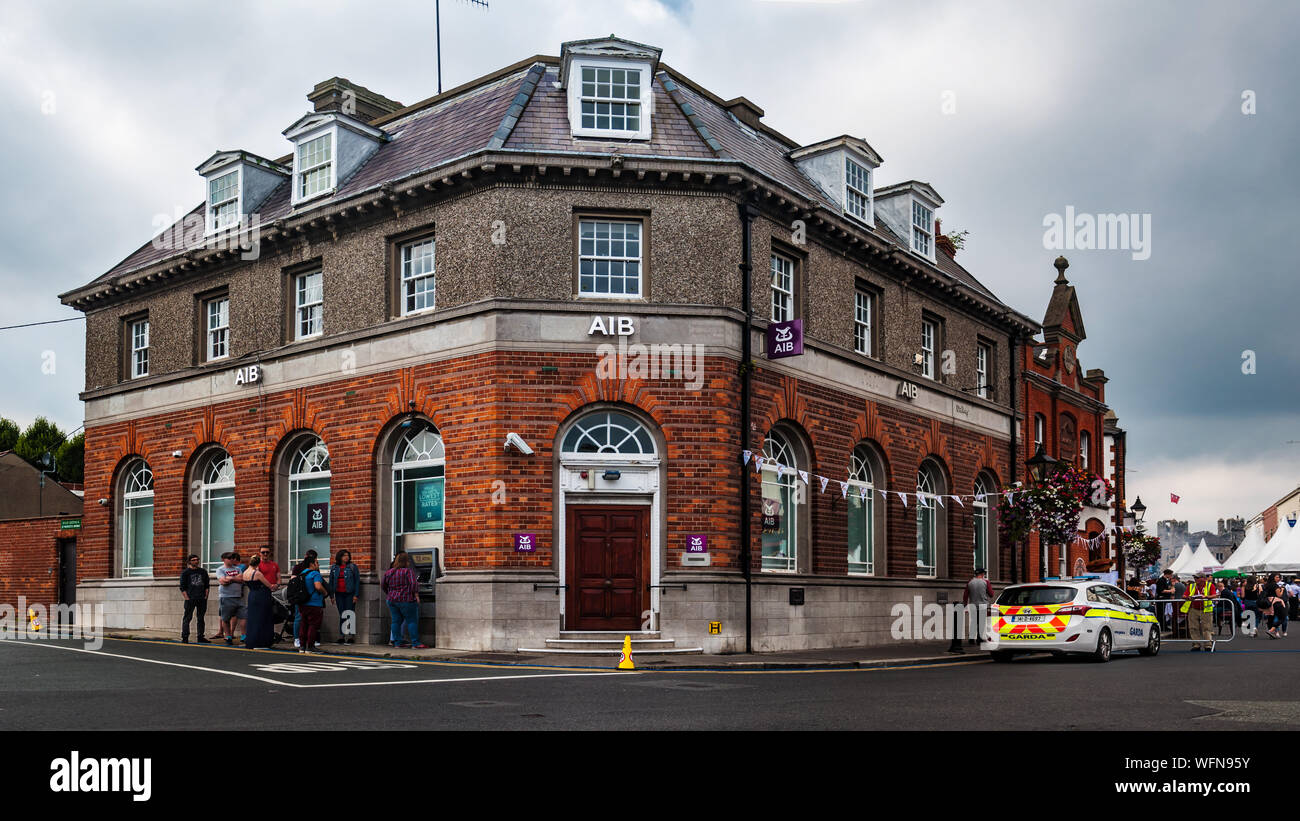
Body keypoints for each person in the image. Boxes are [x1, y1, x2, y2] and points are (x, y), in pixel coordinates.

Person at [381, 552, 425, 649]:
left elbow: (383, 585)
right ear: (406, 561)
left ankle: (397, 643)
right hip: (406, 599)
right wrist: (416, 595)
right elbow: (413, 584)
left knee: (396, 621)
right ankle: (415, 643)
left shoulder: (389, 572)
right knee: (411, 621)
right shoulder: (407, 571)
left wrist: (390, 593)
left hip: (392, 600)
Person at [296, 555, 329, 654]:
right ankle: (310, 646)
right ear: (312, 564)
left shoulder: (301, 574)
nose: (318, 564)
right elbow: (318, 586)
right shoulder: (315, 573)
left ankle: (302, 646)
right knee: (313, 625)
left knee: (303, 624)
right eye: (317, 562)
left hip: (302, 603)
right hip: (314, 603)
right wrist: (325, 593)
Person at [242, 554, 275, 649]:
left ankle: (251, 641)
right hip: (261, 596)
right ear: (258, 563)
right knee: (263, 618)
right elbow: (269, 586)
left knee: (253, 619)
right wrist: (275, 586)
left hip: (251, 596)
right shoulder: (257, 573)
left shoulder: (245, 573)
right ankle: (261, 641)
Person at [329, 550, 360, 645]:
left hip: (349, 593)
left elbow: (357, 581)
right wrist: (331, 596)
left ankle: (351, 636)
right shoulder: (334, 567)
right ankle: (342, 636)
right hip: (339, 594)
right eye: (344, 556)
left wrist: (356, 595)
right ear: (340, 557)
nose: (346, 557)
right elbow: (331, 581)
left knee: (350, 614)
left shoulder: (352, 567)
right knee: (342, 614)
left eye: (347, 555)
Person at [216, 552, 247, 645]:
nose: (231, 559)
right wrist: (235, 579)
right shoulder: (220, 570)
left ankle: (244, 636)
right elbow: (223, 581)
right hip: (226, 597)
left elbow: (242, 580)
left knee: (244, 616)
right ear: (223, 559)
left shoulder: (237, 569)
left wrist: (230, 578)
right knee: (225, 618)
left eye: (232, 558)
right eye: (229, 558)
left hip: (238, 596)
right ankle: (228, 636)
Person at [179, 554, 211, 644]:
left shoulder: (203, 572)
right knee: (187, 618)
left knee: (201, 618)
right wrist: (187, 598)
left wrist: (206, 596)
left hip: (201, 598)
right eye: (193, 560)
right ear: (189, 561)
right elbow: (182, 587)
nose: (196, 561)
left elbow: (207, 585)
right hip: (190, 598)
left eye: (197, 559)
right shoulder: (185, 573)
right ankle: (185, 637)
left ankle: (200, 636)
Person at [290, 549, 319, 649]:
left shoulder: (315, 568)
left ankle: (309, 640)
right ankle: (297, 638)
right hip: (301, 595)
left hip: (311, 596)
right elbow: (293, 581)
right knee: (299, 617)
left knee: (310, 620)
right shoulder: (298, 567)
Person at [1183, 570, 1216, 652]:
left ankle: (1208, 645)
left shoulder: (1210, 585)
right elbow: (1184, 595)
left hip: (1206, 609)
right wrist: (1188, 598)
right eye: (1195, 577)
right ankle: (1196, 645)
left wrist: (1206, 597)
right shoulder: (1191, 586)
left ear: (1204, 579)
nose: (1195, 579)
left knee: (1207, 628)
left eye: (1197, 577)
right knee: (1193, 628)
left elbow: (1214, 595)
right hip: (1193, 609)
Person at [961, 567, 993, 647]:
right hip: (983, 605)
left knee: (973, 622)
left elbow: (965, 595)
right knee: (981, 623)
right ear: (982, 574)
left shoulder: (970, 582)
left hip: (973, 605)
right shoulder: (986, 582)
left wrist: (965, 605)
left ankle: (971, 639)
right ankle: (979, 639)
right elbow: (991, 594)